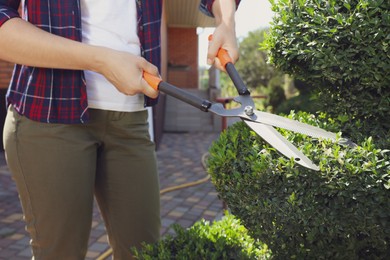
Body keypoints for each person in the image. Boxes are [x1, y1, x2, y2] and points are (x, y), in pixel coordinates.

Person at [0, 0, 241, 259]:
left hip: (131, 118)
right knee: (60, 253)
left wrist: (226, 22)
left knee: (144, 253)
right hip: (49, 111)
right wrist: (101, 60)